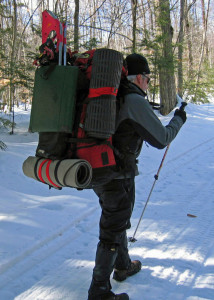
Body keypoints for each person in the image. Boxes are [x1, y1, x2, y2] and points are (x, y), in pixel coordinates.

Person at [88, 53, 187, 300]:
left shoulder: (116, 94)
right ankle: (99, 290)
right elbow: (161, 138)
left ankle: (122, 266)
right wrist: (178, 120)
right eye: (148, 79)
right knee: (113, 225)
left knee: (118, 217)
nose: (148, 83)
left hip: (100, 167)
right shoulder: (132, 99)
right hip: (115, 173)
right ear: (140, 78)